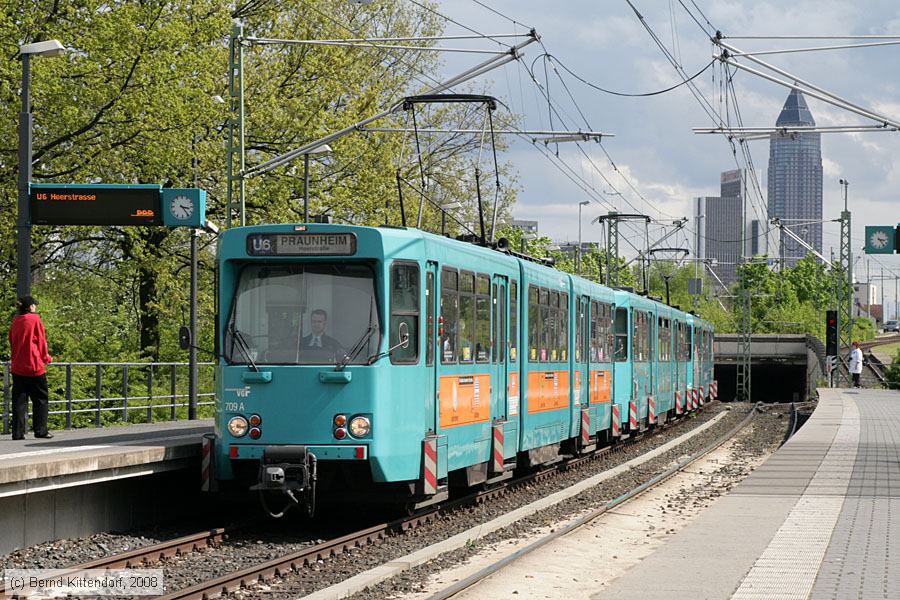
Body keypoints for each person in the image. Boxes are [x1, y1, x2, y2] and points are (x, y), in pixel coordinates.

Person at [8, 296, 53, 440]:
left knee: (19, 400)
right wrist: (46, 358)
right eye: (34, 305)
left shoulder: (15, 320)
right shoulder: (35, 319)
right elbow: (41, 340)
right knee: (40, 399)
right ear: (30, 307)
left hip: (17, 366)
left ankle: (17, 433)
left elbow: (11, 340)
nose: (35, 307)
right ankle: (40, 431)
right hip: (34, 366)